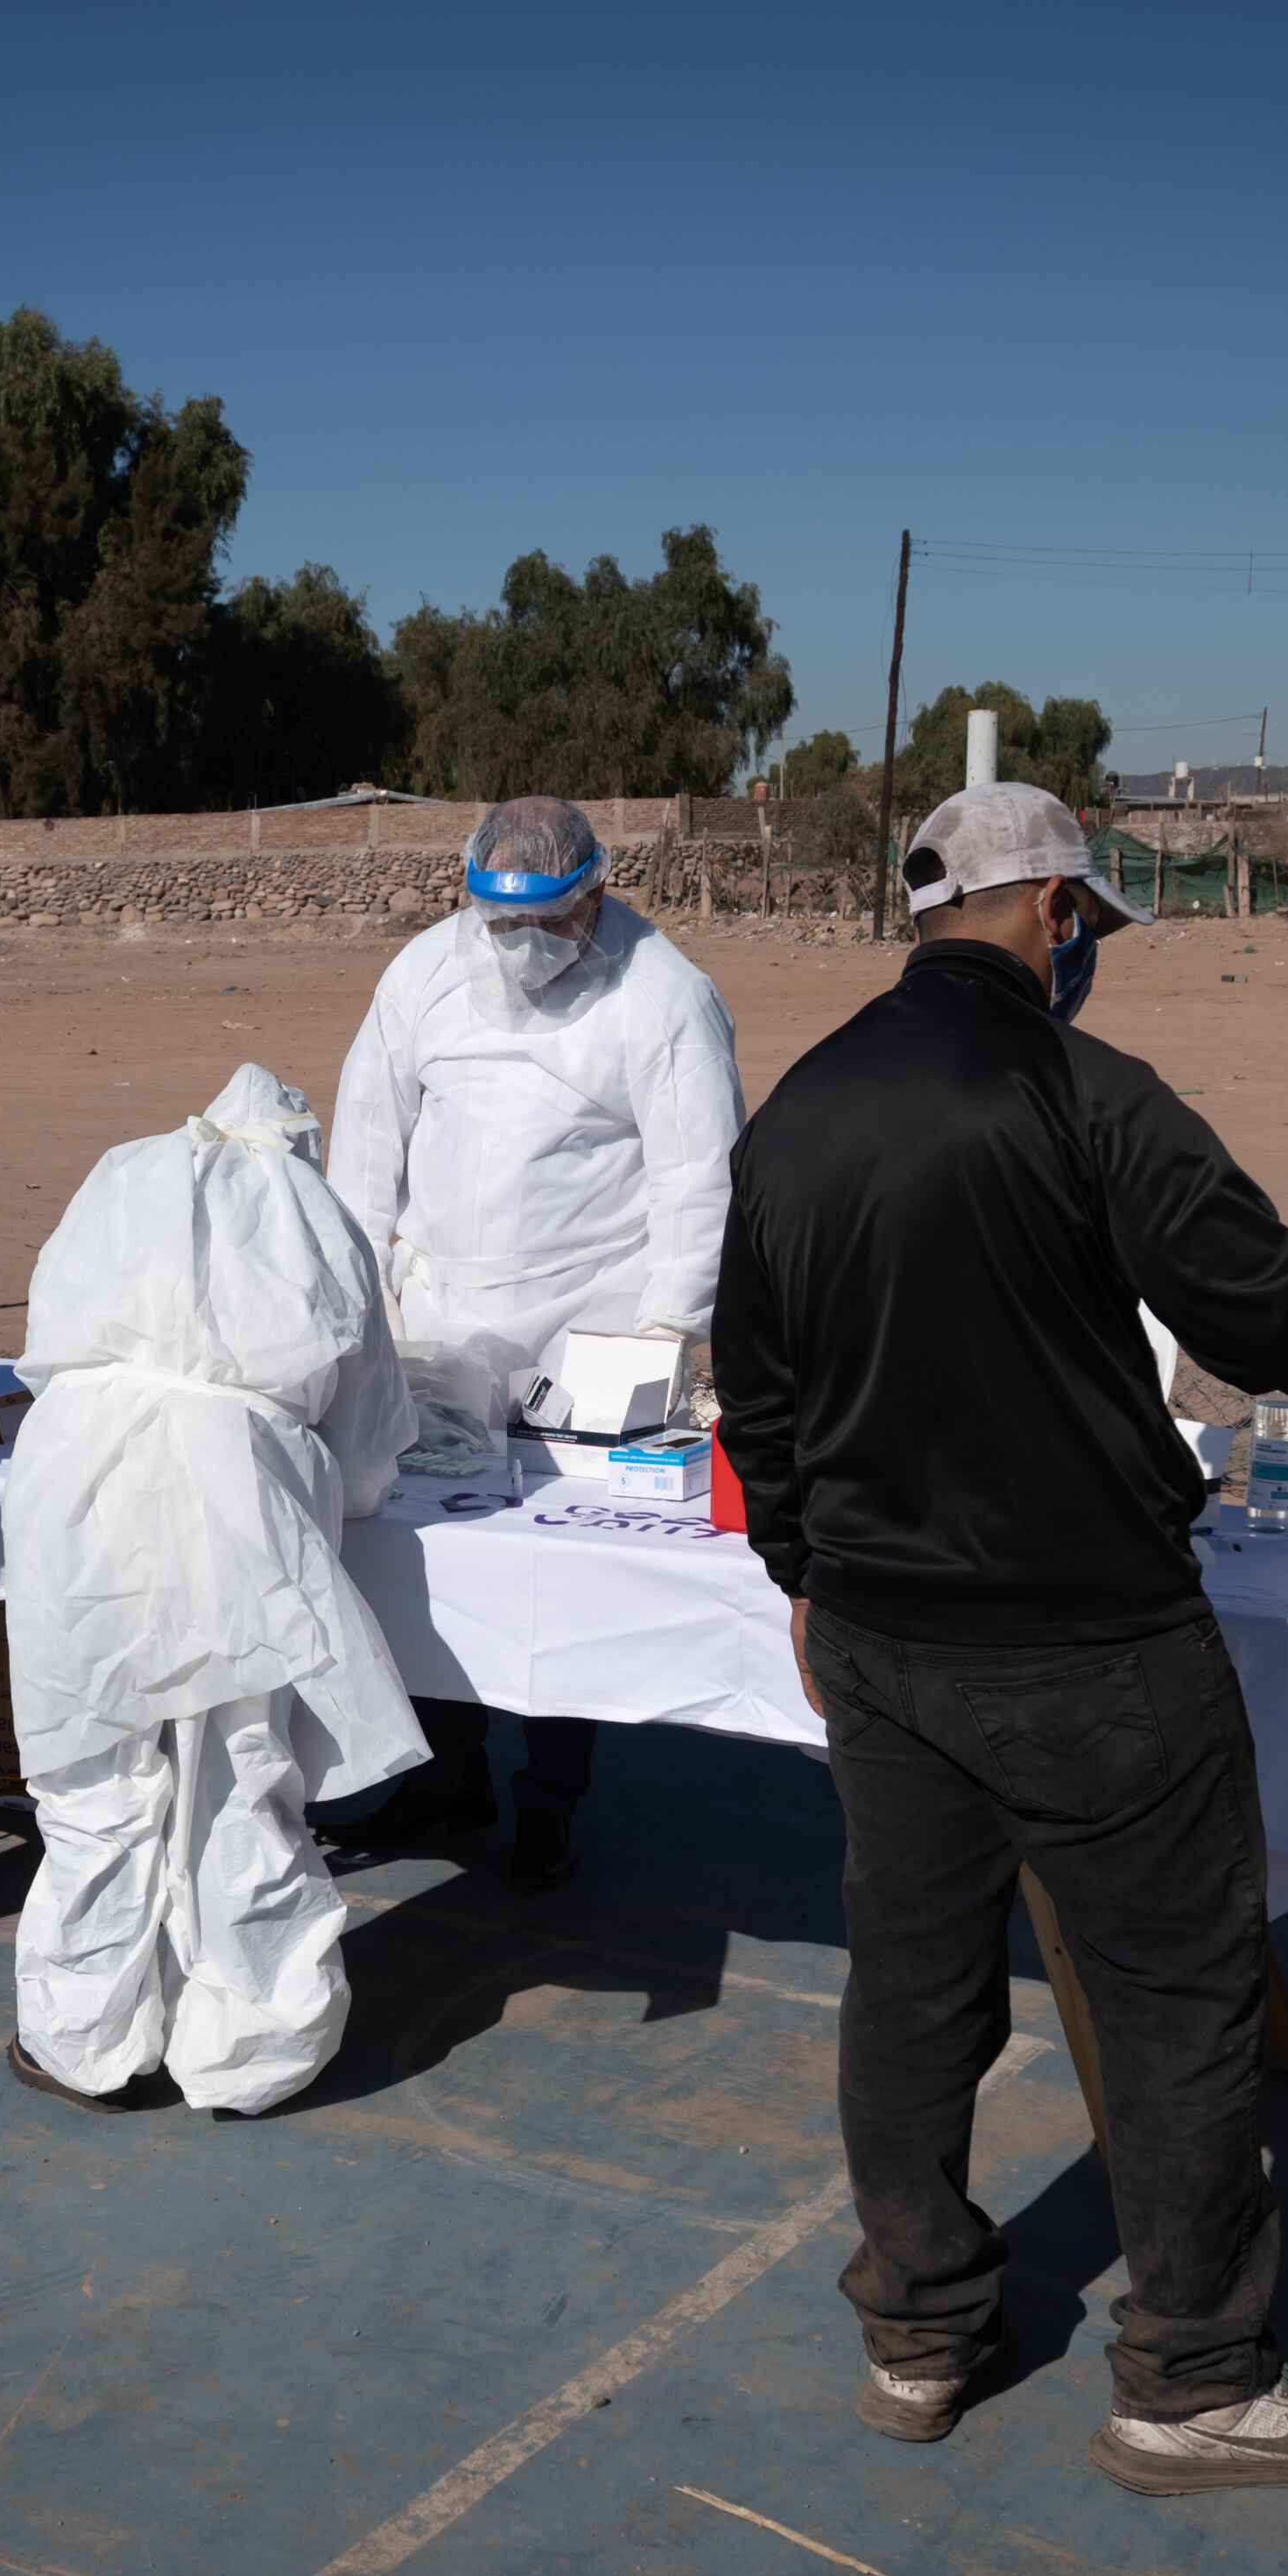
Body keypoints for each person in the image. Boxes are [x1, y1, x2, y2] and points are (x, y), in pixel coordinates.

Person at [713, 781, 1288, 2494]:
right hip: (1085, 1638)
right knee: (1172, 1997)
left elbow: (762, 1385)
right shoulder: (1091, 1097)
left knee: (914, 1978)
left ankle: (918, 2327)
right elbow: (1265, 1309)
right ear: (1055, 914)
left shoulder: (794, 1110)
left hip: (877, 1629)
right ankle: (1194, 2377)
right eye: (1086, 920)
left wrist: (805, 1566)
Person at [318, 794, 746, 1886]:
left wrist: (662, 1336)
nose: (518, 950)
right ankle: (443, 1770)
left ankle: (550, 1792)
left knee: (561, 1575)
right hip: (437, 1321)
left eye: (546, 925)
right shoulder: (422, 976)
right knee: (417, 1556)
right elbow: (368, 1146)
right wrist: (355, 1296)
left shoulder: (662, 996)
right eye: (498, 926)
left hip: (587, 1328)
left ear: (594, 896)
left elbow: (699, 1181)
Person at [3, 1066, 423, 2117]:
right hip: (235, 1495)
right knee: (237, 1772)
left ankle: (82, 2041)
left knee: (89, 1768)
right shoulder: (312, 1210)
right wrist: (352, 1489)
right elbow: (366, 1423)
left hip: (75, 1479)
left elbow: (47, 1341)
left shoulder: (123, 1175)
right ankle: (250, 2052)